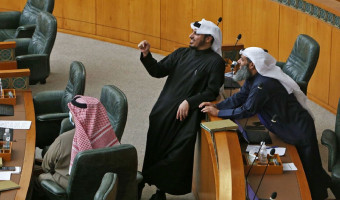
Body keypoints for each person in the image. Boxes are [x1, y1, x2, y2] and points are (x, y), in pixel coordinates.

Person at [200, 47, 332, 200]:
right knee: (310, 166)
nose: (239, 63)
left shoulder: (262, 84)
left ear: (252, 65)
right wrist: (217, 106)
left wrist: (219, 113)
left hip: (298, 129)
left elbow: (247, 109)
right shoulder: (253, 77)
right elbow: (240, 97)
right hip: (286, 124)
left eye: (242, 60)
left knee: (310, 169)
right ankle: (326, 184)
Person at [138, 18, 225, 200]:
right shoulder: (181, 53)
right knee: (156, 148)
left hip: (185, 117)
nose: (190, 36)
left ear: (208, 39)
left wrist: (189, 102)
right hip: (162, 112)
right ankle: (149, 184)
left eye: (196, 34)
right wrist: (147, 55)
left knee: (176, 155)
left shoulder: (215, 62)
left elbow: (212, 91)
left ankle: (161, 190)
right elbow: (158, 70)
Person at [31, 95, 119, 199]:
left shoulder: (63, 140)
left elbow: (46, 166)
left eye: (72, 112)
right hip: (101, 186)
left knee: (38, 178)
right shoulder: (109, 137)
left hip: (73, 187)